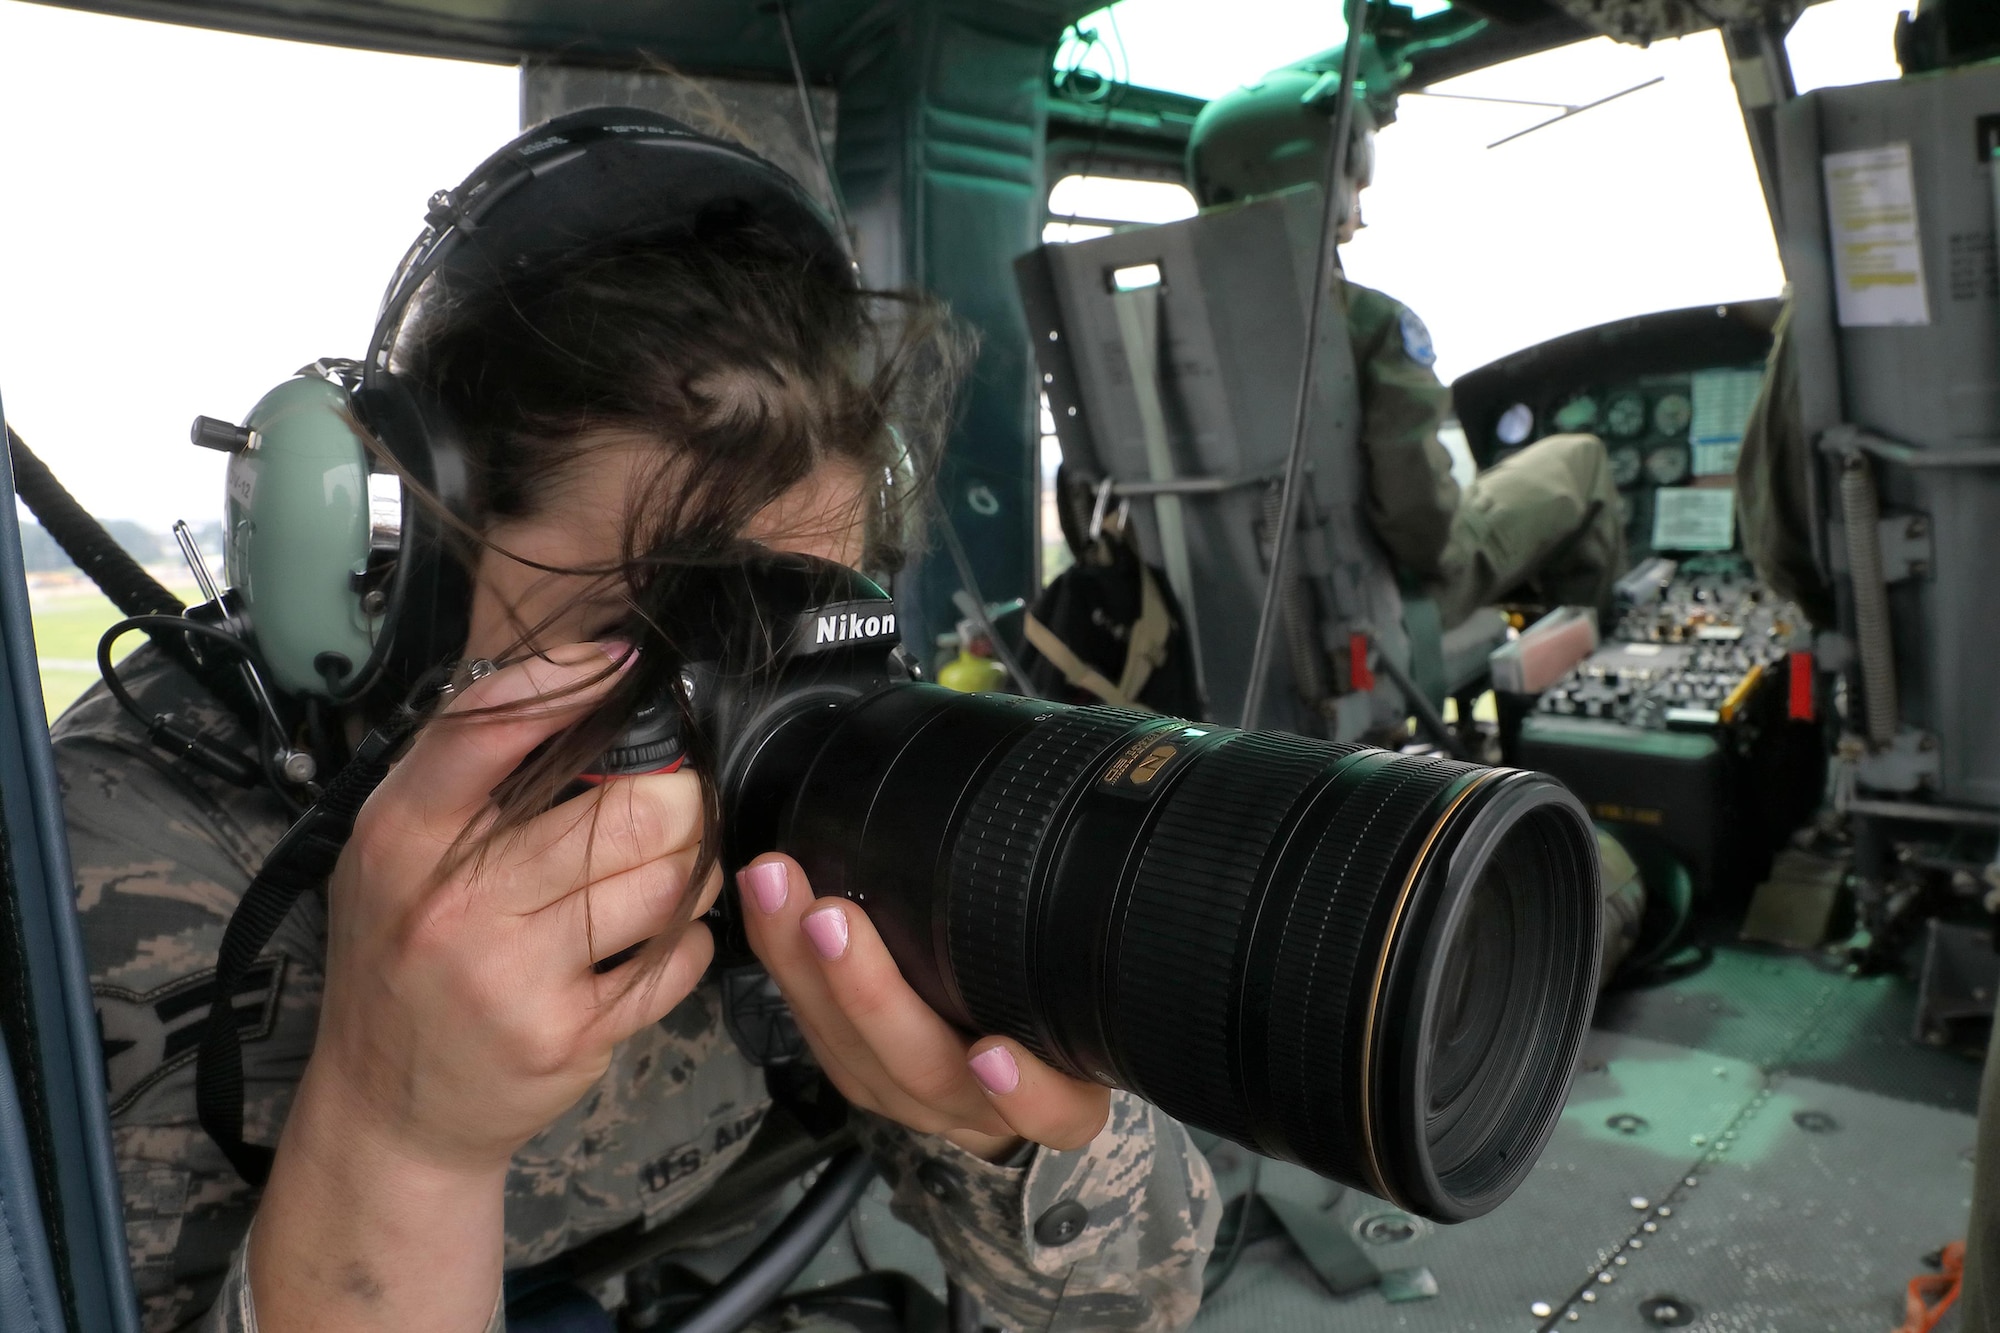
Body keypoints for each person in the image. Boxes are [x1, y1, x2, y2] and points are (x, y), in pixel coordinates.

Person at [59, 110, 1216, 1333]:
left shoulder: (814, 772)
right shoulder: (120, 874)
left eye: (787, 630)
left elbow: (1136, 1306)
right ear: (382, 591)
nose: (736, 733)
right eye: (649, 641)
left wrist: (1005, 1141)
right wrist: (399, 1136)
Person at [1185, 64, 1625, 631]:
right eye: (1353, 183)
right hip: (1371, 603)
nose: (1359, 204)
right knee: (1579, 458)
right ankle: (1594, 676)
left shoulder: (1156, 323)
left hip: (1231, 606)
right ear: (1317, 177)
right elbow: (1423, 529)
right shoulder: (1370, 324)